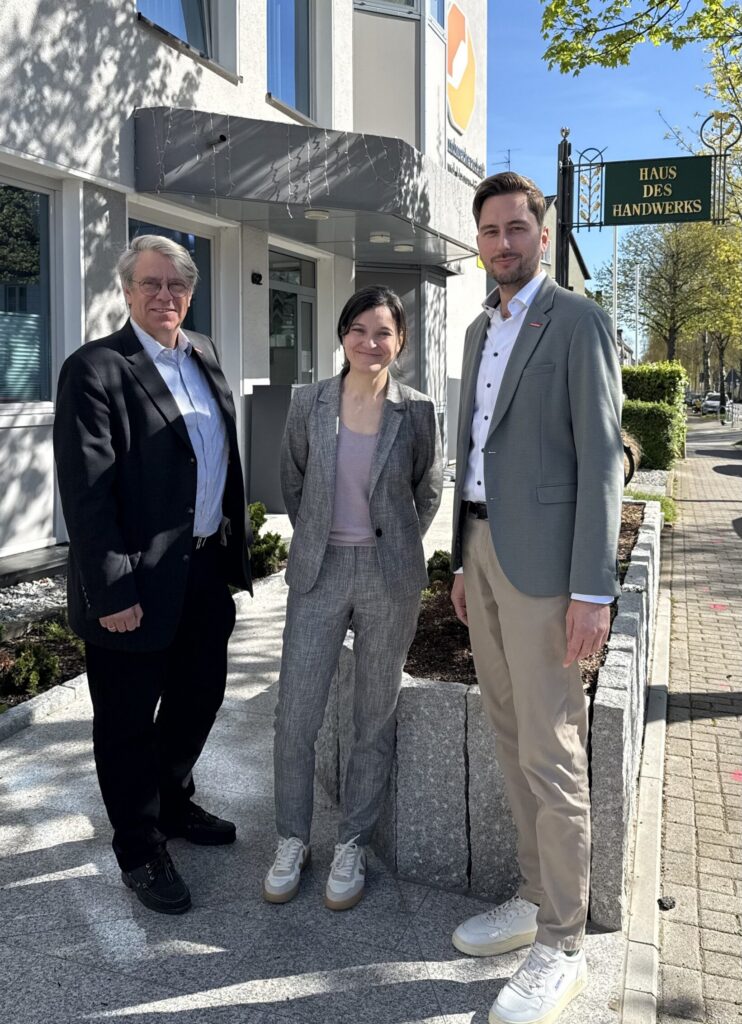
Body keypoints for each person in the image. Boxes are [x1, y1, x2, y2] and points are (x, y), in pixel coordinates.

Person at [448, 173, 623, 1024]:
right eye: (490, 231)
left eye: (518, 228)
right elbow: (474, 455)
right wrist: (457, 560)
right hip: (482, 551)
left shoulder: (578, 322)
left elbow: (601, 458)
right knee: (510, 731)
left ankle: (563, 942)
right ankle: (530, 894)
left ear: (542, 236)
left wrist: (593, 587)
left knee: (552, 748)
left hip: (550, 571)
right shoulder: (481, 328)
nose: (504, 243)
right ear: (477, 240)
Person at [53, 234, 252, 915]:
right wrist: (112, 589)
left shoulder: (206, 354)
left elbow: (211, 461)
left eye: (176, 286)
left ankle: (172, 803)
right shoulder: (95, 368)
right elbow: (87, 491)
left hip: (201, 568)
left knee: (201, 697)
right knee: (127, 722)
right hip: (132, 584)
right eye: (151, 284)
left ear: (191, 294)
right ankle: (139, 847)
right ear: (127, 291)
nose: (164, 296)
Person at [263, 285, 442, 910]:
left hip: (388, 577)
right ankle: (292, 838)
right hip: (319, 571)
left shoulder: (417, 411)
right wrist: (321, 535)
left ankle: (352, 845)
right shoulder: (307, 401)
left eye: (384, 332)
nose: (371, 342)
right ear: (342, 334)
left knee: (374, 714)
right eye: (359, 329)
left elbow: (429, 489)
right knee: (296, 716)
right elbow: (294, 480)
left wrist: (394, 545)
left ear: (401, 342)